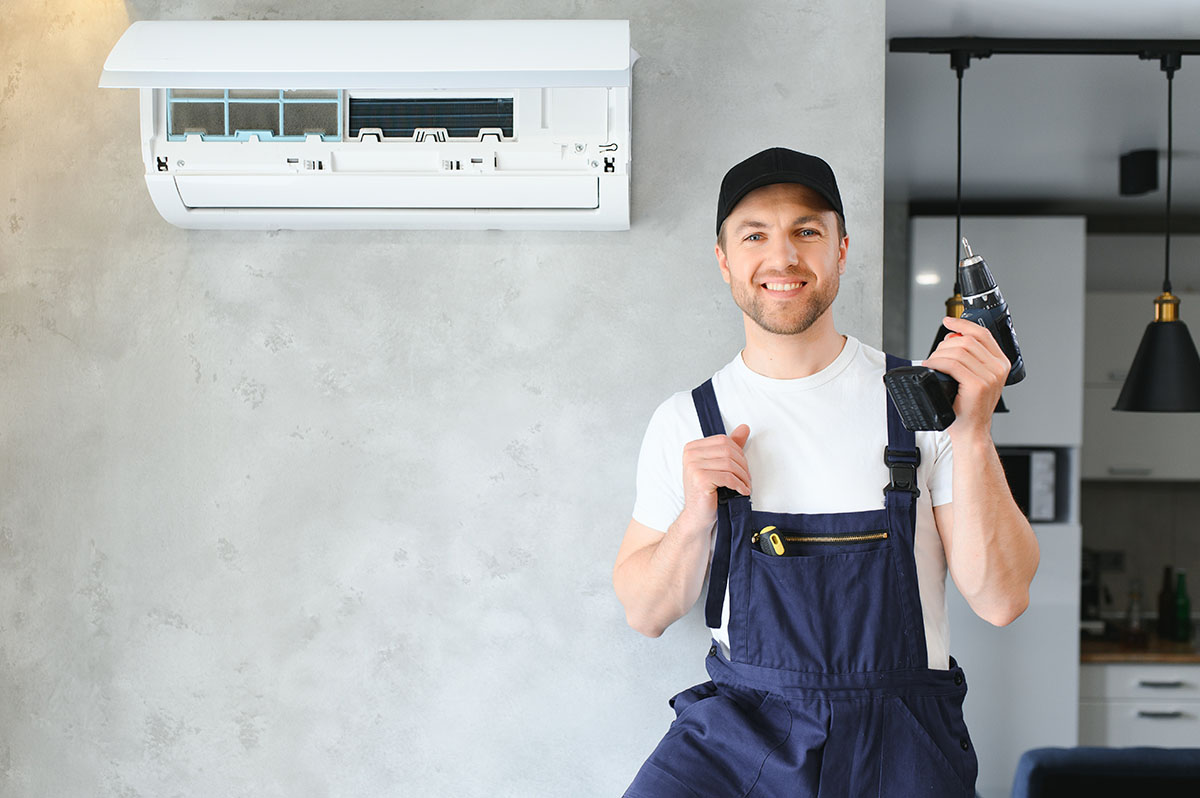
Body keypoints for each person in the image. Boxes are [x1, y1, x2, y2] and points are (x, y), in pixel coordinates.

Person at [612, 147, 1040, 797]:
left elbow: (1002, 600)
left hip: (903, 739)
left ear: (841, 249)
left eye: (806, 231)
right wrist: (697, 515)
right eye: (754, 234)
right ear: (724, 259)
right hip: (744, 732)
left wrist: (973, 431)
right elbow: (646, 612)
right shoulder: (689, 421)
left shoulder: (922, 403)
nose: (782, 257)